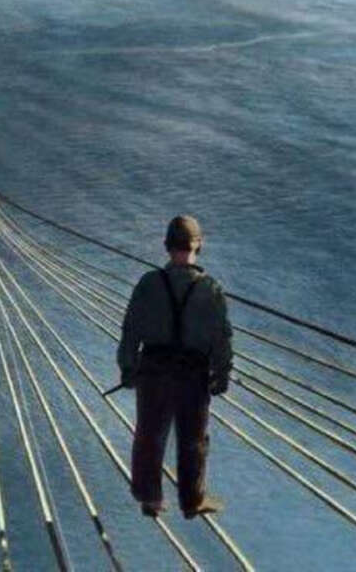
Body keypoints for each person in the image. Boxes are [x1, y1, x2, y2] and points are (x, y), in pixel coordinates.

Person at [116, 215, 232, 520]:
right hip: (193, 376)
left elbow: (131, 330)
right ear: (199, 246)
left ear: (167, 246)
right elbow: (221, 339)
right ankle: (192, 501)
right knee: (193, 440)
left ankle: (149, 498)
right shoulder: (211, 289)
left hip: (153, 371)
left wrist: (128, 369)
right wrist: (221, 375)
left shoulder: (148, 283)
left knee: (148, 434)